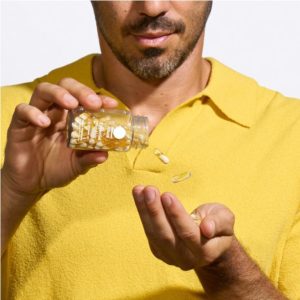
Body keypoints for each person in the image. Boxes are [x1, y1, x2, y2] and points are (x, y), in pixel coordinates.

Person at [1, 1, 299, 299]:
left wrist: (223, 267)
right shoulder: (20, 119)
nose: (153, 7)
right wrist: (12, 192)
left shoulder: (292, 133)